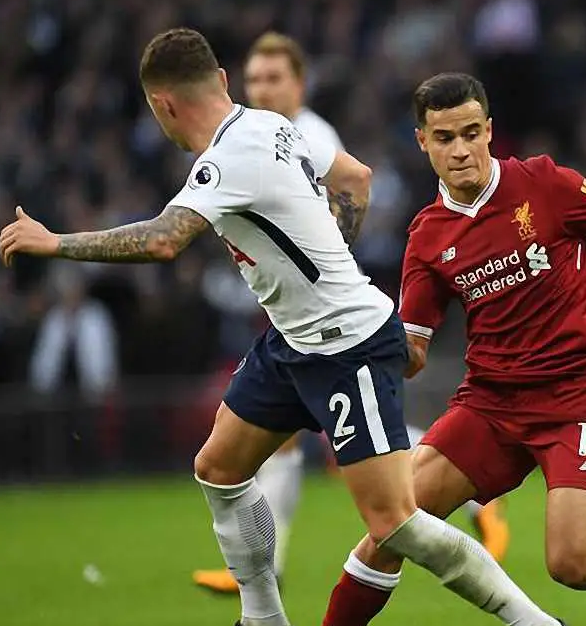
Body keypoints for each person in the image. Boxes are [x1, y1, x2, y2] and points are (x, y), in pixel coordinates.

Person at [0, 28, 566, 626]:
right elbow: (355, 177)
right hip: (292, 341)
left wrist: (55, 242)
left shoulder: (227, 159)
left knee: (396, 523)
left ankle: (536, 625)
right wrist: (328, 255)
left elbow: (164, 240)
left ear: (161, 105)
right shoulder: (269, 124)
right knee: (219, 467)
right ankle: (264, 623)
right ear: (223, 81)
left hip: (347, 345)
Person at [317, 72, 586, 626]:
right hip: (492, 405)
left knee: (575, 565)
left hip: (581, 395)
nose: (460, 151)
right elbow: (412, 352)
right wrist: (359, 345)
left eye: (471, 133)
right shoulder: (428, 236)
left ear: (490, 131)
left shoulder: (545, 184)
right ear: (422, 141)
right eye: (445, 138)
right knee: (393, 525)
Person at [191, 31, 509, 597]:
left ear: (300, 84)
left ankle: (475, 503)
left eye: (274, 78)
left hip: (336, 323)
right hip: (297, 320)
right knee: (293, 443)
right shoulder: (253, 134)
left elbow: (352, 187)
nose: (262, 89)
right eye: (254, 79)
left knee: (362, 461)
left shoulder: (306, 135)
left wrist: (324, 262)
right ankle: (269, 567)